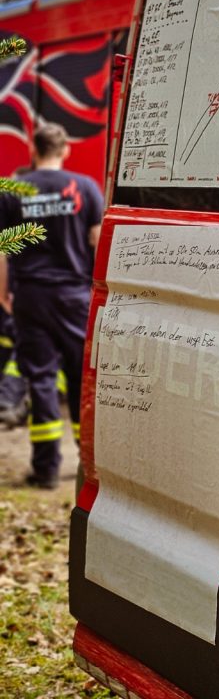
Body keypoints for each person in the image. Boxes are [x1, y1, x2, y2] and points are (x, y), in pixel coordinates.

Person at [0, 123, 103, 488]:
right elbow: (97, 240)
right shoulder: (86, 187)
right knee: (78, 378)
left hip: (31, 296)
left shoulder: (14, 191)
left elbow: (4, 249)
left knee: (41, 378)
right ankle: (87, 466)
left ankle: (45, 470)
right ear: (65, 150)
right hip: (75, 297)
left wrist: (4, 293)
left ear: (33, 149)